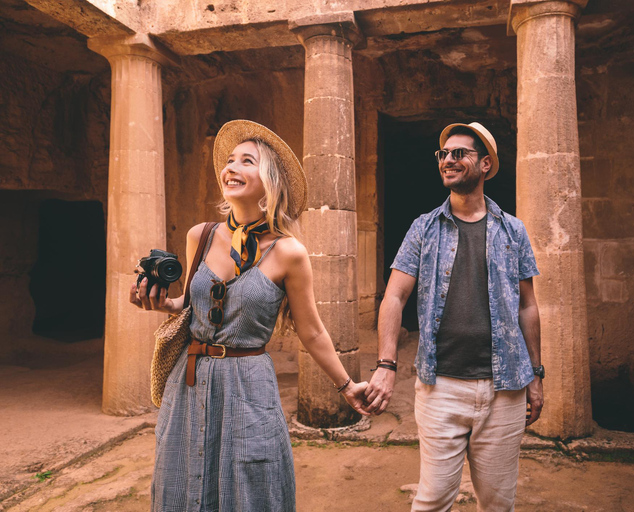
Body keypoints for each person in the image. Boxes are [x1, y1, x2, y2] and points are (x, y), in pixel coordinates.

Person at [129, 120, 369, 511]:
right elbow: (188, 307)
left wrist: (346, 386)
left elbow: (312, 332)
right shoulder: (200, 235)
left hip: (248, 383)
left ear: (270, 180)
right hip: (189, 381)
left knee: (251, 485)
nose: (231, 167)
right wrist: (158, 303)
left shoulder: (289, 252)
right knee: (182, 481)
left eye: (247, 161)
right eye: (229, 161)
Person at [364, 122, 544, 511]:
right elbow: (394, 295)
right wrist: (386, 362)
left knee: (498, 503)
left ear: (484, 165)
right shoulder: (423, 228)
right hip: (440, 387)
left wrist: (536, 375)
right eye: (443, 154)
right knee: (432, 500)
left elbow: (527, 305)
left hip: (505, 389)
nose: (448, 159)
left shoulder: (513, 231)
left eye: (459, 153)